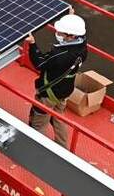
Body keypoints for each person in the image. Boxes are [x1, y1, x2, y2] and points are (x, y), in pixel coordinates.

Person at [25, 13, 88, 148]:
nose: (57, 33)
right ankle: (62, 147)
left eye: (61, 32)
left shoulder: (60, 55)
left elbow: (40, 64)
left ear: (71, 36)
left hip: (49, 94)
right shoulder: (82, 47)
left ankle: (34, 147)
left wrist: (32, 45)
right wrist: (71, 18)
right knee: (58, 117)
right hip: (65, 91)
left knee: (39, 122)